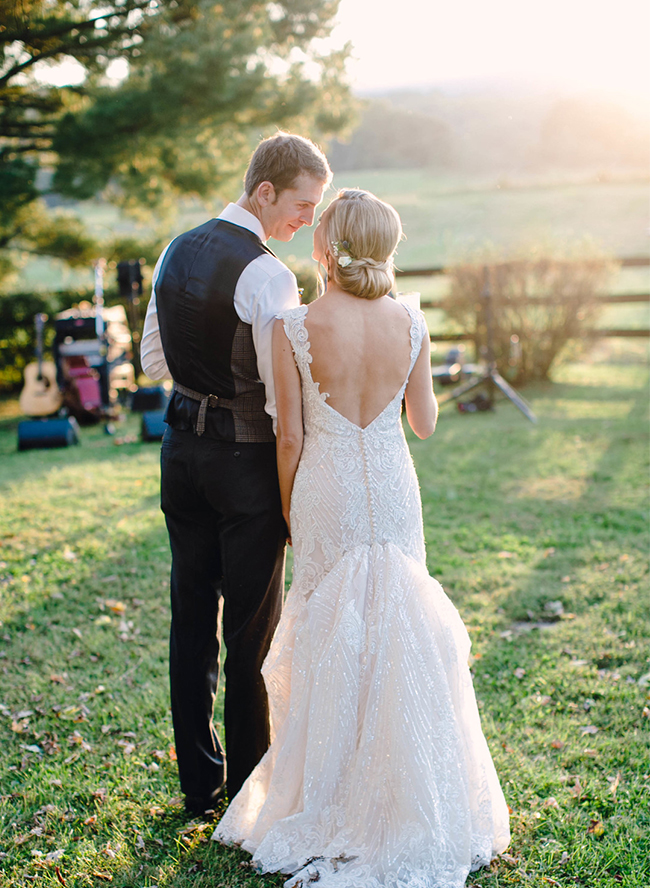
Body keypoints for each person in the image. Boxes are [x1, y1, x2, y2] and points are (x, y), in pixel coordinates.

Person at [213, 189, 511, 886]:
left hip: (326, 489)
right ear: (386, 249)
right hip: (392, 483)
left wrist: (289, 510)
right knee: (400, 624)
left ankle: (333, 795)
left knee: (331, 631)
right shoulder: (410, 319)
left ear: (325, 248)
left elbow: (289, 435)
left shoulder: (292, 326)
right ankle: (409, 795)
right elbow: (425, 423)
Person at [140, 132, 332, 814]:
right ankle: (251, 793)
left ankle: (199, 786)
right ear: (265, 190)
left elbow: (153, 362)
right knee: (251, 629)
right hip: (244, 461)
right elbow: (281, 400)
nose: (306, 220)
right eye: (303, 206)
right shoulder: (269, 274)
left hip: (179, 451)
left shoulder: (174, 250)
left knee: (190, 620)